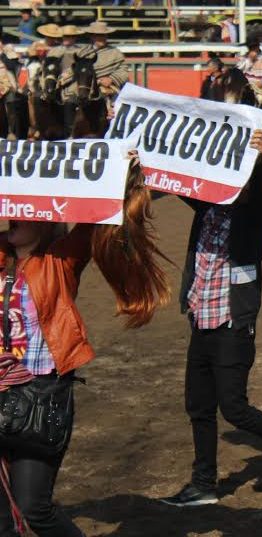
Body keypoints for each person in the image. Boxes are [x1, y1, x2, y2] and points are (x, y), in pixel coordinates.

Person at [0, 151, 171, 536]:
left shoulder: (61, 260)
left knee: (34, 508)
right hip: (0, 388)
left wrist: (121, 171)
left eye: (24, 213)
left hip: (41, 393)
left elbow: (102, 218)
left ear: (44, 222)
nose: (14, 216)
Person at [160, 130, 262, 508]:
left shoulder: (254, 215)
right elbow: (176, 180)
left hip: (233, 322)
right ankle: (203, 483)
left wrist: (261, 159)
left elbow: (260, 197)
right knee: (199, 406)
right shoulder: (206, 208)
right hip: (201, 318)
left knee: (234, 407)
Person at [60, 21, 128, 138]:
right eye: (97, 35)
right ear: (92, 36)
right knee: (68, 99)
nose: (100, 38)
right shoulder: (82, 52)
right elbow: (73, 68)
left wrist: (111, 79)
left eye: (102, 35)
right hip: (83, 85)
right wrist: (64, 77)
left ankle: (114, 133)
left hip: (106, 87)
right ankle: (68, 132)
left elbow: (124, 70)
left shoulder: (115, 53)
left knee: (117, 108)